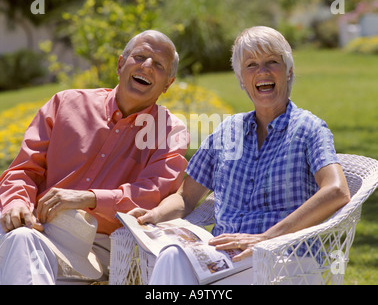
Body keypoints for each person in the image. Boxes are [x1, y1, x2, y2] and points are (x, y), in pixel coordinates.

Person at [129, 26, 351, 285]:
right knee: (171, 256)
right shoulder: (228, 131)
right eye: (251, 65)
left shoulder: (308, 128)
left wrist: (266, 237)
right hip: (224, 258)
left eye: (272, 62)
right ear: (240, 78)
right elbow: (185, 197)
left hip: (284, 260)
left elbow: (337, 191)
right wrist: (154, 215)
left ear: (288, 71)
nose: (263, 72)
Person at [0, 30, 189, 284]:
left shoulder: (170, 132)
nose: (147, 66)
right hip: (33, 223)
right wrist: (16, 204)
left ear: (168, 83)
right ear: (120, 64)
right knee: (19, 237)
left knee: (20, 241)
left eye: (158, 65)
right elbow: (24, 170)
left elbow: (150, 193)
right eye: (140, 56)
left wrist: (88, 198)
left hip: (91, 244)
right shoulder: (65, 103)